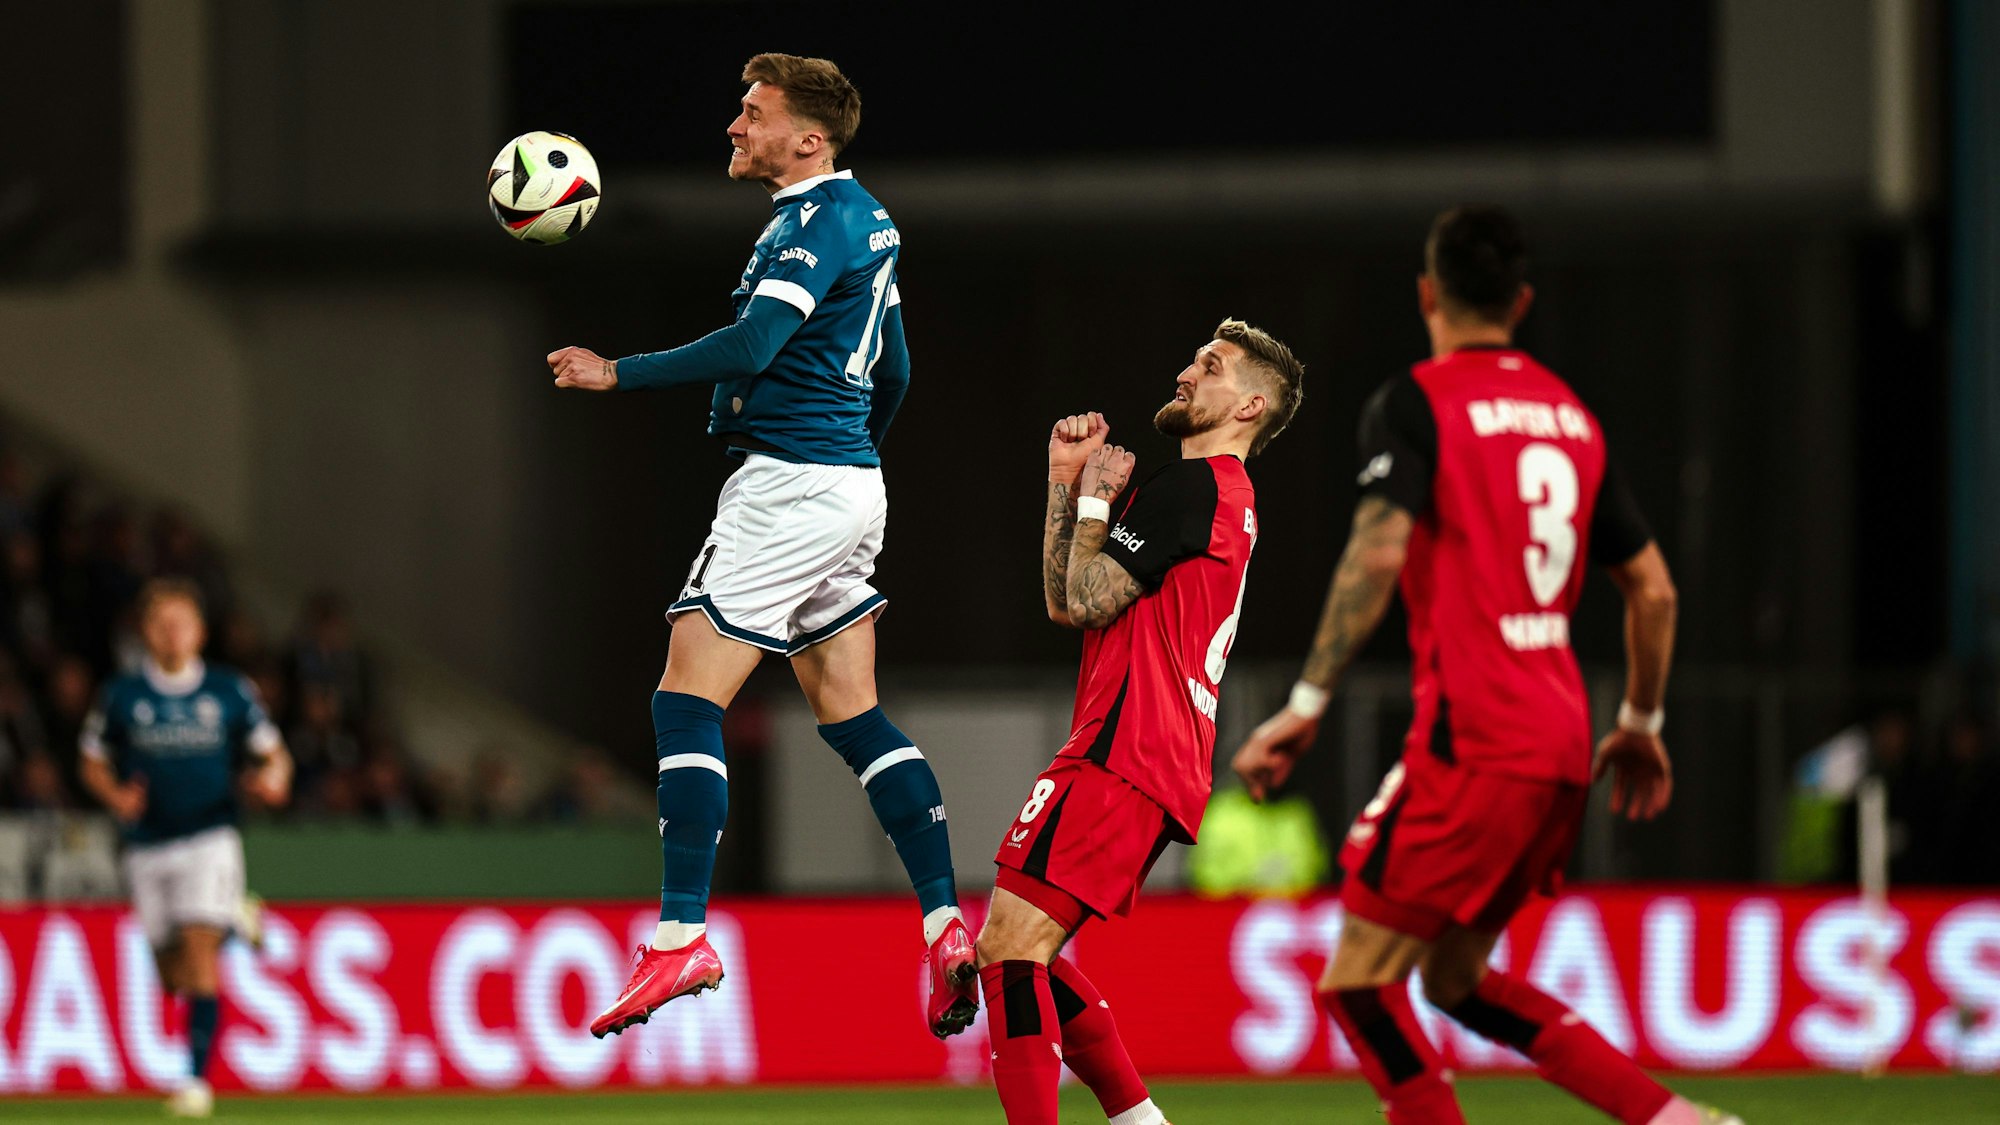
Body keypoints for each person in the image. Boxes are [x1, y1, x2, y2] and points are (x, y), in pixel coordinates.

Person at [1230, 205, 1738, 1125]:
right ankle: (1676, 1119)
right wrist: (1641, 724)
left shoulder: (1415, 401)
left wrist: (1306, 701)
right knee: (1457, 981)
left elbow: (1377, 554)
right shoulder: (1573, 419)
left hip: (1474, 735)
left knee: (1358, 985)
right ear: (1523, 301)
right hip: (1561, 741)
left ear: (1427, 294)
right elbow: (1654, 592)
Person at [547, 54, 975, 1039]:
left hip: (785, 487)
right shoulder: (863, 221)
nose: (734, 126)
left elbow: (751, 346)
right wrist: (850, 463)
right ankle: (945, 922)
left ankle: (678, 938)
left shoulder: (818, 220)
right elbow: (896, 367)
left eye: (753, 113)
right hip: (848, 487)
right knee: (852, 711)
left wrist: (619, 372)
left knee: (685, 692)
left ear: (807, 139)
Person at [974, 320, 1305, 1125]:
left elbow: (1084, 594)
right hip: (1146, 754)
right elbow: (1067, 603)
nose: (1188, 373)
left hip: (1126, 747)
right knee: (1020, 950)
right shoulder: (1216, 497)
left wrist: (1093, 498)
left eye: (1212, 366)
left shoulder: (1197, 487)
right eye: (1194, 358)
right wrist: (1066, 481)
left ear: (1251, 404)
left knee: (1011, 950)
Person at [79, 579, 292, 1119]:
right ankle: (235, 920)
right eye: (162, 623)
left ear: (199, 631)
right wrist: (114, 794)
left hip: (210, 837)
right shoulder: (122, 696)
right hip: (148, 846)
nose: (173, 633)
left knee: (199, 957)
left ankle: (195, 1081)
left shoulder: (227, 691)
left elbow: (273, 755)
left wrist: (273, 780)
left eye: (183, 623)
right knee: (172, 975)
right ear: (146, 631)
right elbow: (91, 760)